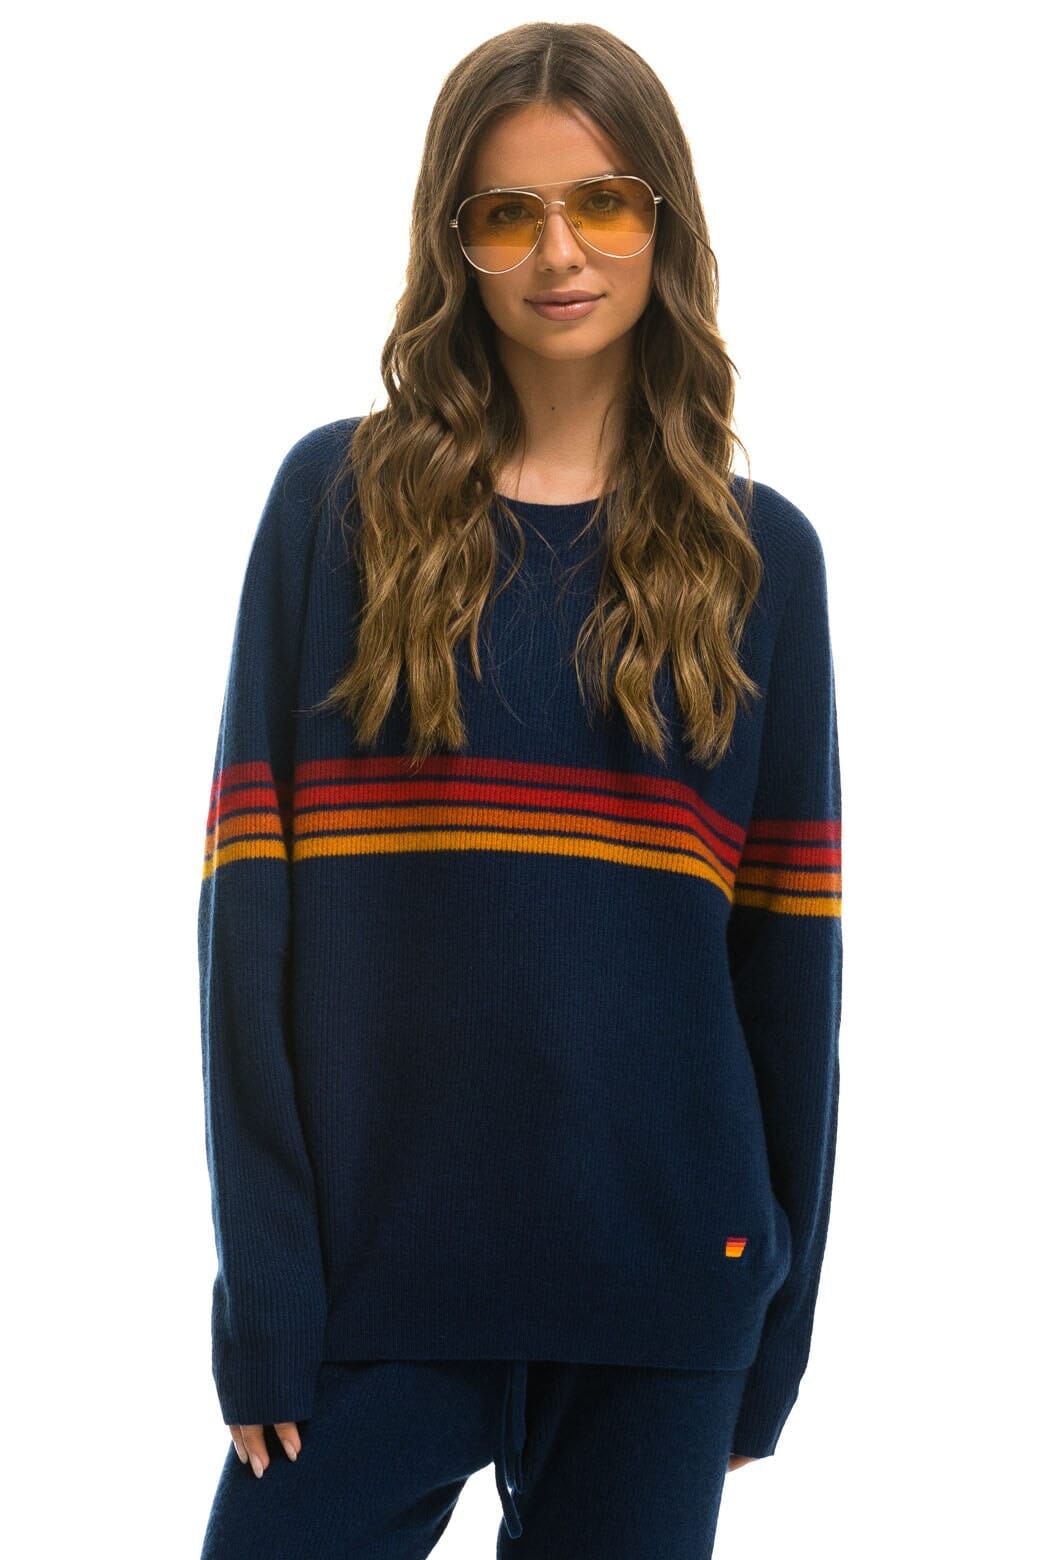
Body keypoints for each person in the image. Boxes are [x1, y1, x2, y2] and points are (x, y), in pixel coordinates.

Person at [196, 20, 843, 1560]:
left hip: (663, 1295)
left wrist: (776, 1324)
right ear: (456, 243)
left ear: (664, 222)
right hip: (378, 1288)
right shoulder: (334, 507)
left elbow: (791, 974)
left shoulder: (765, 562)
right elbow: (246, 932)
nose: (560, 253)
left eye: (603, 203)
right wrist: (268, 1285)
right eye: (509, 214)